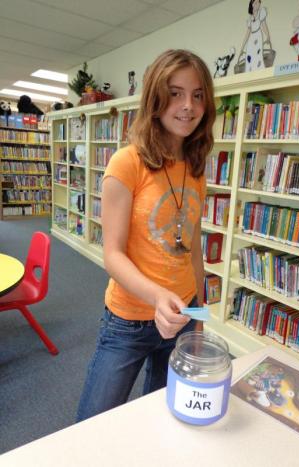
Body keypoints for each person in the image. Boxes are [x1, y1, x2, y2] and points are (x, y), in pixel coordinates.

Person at [76, 49, 216, 422]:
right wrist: (156, 297)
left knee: (159, 418)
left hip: (182, 314)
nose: (188, 105)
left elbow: (194, 251)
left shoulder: (197, 167)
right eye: (175, 92)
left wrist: (197, 318)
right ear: (155, 97)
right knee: (93, 424)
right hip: (129, 320)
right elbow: (113, 255)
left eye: (198, 94)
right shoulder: (127, 162)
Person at [238, 0, 272, 73]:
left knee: (258, 55)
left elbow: (264, 26)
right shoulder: (250, 19)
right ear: (252, 4)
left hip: (258, 36)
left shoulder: (261, 13)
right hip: (251, 39)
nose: (257, 4)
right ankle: (250, 73)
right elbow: (247, 34)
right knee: (249, 56)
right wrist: (242, 47)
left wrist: (268, 36)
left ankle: (259, 72)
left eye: (258, 2)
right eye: (255, 3)